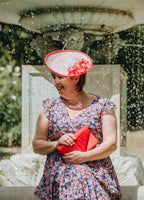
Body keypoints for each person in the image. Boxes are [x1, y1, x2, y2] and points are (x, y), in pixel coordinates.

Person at [32, 50, 121, 199]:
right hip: (59, 172)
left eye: (60, 77)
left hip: (95, 171)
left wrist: (84, 157)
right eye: (54, 78)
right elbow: (37, 145)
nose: (55, 83)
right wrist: (56, 143)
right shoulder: (49, 107)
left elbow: (111, 144)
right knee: (75, 173)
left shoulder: (103, 106)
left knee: (80, 173)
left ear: (75, 78)